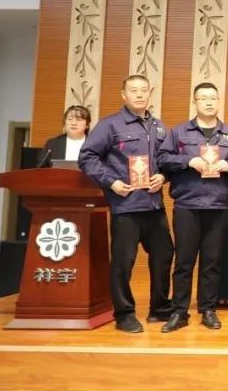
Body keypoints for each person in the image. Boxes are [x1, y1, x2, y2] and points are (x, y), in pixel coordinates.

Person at [78, 74, 173, 334]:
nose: (139, 95)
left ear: (150, 93)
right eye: (133, 90)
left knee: (164, 255)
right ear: (124, 95)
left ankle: (159, 307)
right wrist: (111, 182)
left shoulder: (158, 126)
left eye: (144, 90)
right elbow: (87, 157)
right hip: (125, 205)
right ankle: (124, 313)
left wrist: (163, 177)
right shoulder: (110, 125)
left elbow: (167, 160)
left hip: (154, 206)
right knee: (123, 262)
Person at [157, 82, 228, 332]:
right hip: (187, 204)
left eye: (212, 98)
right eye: (203, 98)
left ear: (218, 101)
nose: (208, 102)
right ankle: (179, 311)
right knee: (184, 262)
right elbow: (162, 158)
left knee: (212, 262)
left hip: (217, 205)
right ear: (194, 102)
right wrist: (189, 161)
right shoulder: (179, 132)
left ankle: (208, 309)